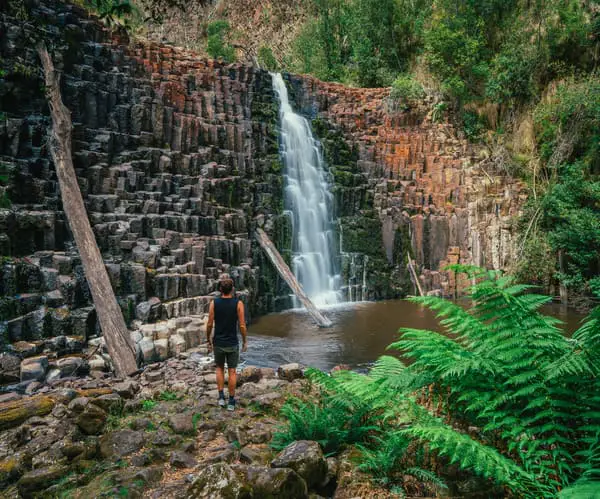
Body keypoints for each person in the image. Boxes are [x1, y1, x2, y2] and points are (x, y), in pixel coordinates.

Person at [206, 277, 247, 411]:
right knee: (232, 371)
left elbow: (210, 323)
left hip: (218, 342)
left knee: (219, 368)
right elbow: (241, 325)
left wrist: (208, 339)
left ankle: (221, 397)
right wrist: (245, 341)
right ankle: (231, 401)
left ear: (220, 290)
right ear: (232, 289)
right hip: (232, 343)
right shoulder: (238, 304)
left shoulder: (214, 303)